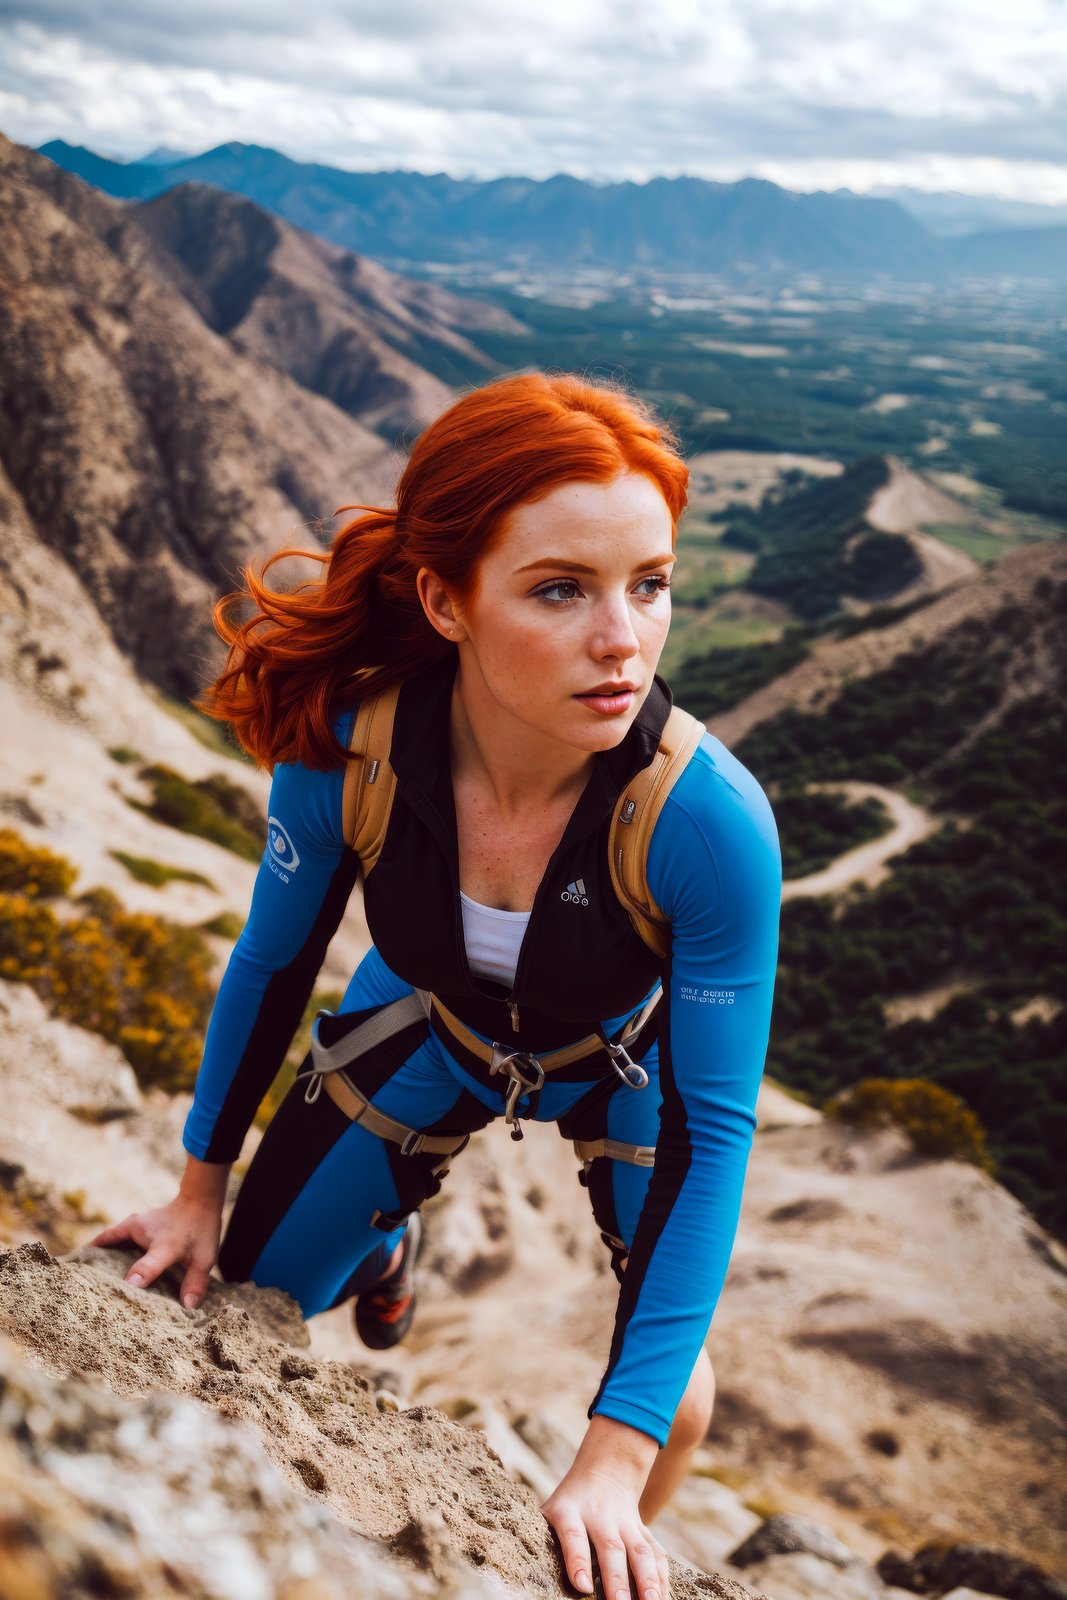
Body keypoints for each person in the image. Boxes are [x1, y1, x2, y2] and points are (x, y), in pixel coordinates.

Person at [90, 371, 781, 1600]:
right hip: (428, 1029)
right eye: (559, 589)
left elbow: (713, 1132)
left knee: (670, 1412)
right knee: (243, 1299)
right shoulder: (346, 750)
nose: (621, 639)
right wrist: (197, 1190)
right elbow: (274, 961)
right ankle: (382, 1247)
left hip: (626, 1064)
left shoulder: (704, 823)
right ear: (444, 599)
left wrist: (610, 1460)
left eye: (651, 584)